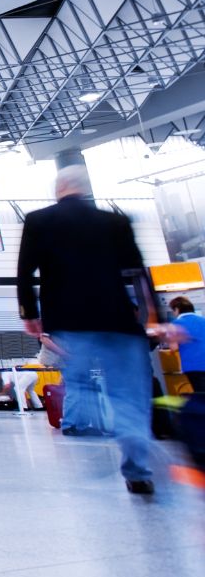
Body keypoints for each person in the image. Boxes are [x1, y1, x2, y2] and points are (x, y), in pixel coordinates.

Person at [17, 165, 156, 495]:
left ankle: (85, 428)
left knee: (79, 381)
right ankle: (137, 465)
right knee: (129, 396)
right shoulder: (116, 221)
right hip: (118, 319)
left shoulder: (39, 220)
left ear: (59, 188)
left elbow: (25, 272)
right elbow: (137, 272)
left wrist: (29, 313)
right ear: (86, 189)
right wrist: (154, 316)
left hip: (70, 320)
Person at [170, 296, 205, 393]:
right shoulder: (204, 320)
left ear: (177, 309)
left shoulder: (175, 324)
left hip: (194, 366)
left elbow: (174, 347)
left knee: (201, 395)